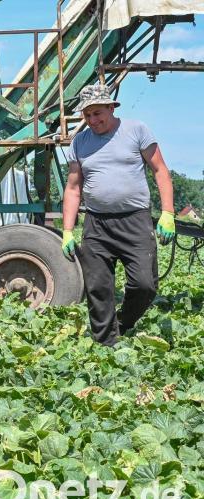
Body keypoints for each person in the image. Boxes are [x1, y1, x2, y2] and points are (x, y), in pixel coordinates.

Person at [61, 83, 175, 346]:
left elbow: (160, 170)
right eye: (87, 115)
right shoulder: (80, 142)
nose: (92, 120)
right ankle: (105, 344)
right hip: (97, 224)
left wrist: (168, 212)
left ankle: (122, 325)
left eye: (98, 113)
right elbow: (73, 187)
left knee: (145, 285)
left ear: (111, 108)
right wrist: (67, 230)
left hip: (134, 220)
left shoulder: (136, 131)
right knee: (98, 288)